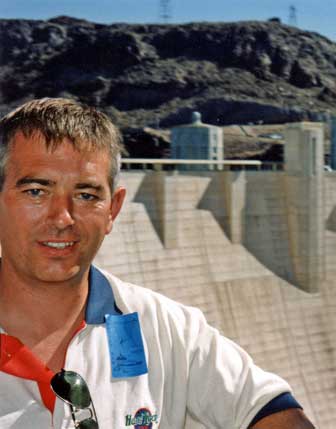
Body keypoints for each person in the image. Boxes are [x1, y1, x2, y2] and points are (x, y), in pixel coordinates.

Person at [0, 98, 315, 429]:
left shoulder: (168, 329)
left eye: (86, 196)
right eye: (35, 192)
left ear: (113, 210)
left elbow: (275, 414)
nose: (62, 218)